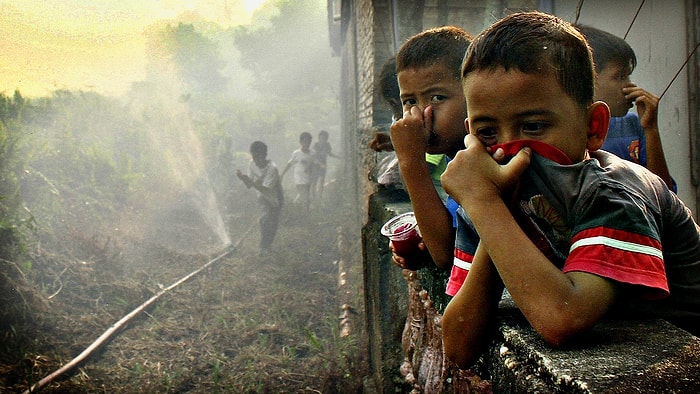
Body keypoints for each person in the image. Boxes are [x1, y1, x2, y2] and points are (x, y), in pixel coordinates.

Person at [440, 11, 700, 369]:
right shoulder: (487, 202)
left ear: (593, 127)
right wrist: (496, 210)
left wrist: (488, 205)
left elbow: (563, 320)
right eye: (487, 133)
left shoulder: (614, 193)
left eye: (532, 125)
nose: (508, 149)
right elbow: (458, 347)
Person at [389, 26, 478, 281]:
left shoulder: (480, 158)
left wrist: (410, 161)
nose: (421, 115)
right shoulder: (455, 155)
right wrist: (422, 239)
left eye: (437, 98)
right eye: (410, 102)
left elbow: (445, 255)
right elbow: (449, 240)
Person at [575, 24, 675, 191]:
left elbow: (666, 198)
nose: (629, 85)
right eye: (620, 76)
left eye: (628, 75)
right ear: (587, 78)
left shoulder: (633, 125)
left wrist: (651, 129)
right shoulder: (568, 130)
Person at [236, 141, 284, 254]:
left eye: (258, 157)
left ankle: (267, 245)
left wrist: (250, 182)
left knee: (272, 222)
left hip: (275, 198)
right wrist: (243, 179)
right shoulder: (252, 164)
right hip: (262, 197)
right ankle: (263, 246)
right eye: (253, 157)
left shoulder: (272, 168)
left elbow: (266, 189)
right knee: (264, 219)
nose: (255, 161)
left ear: (264, 155)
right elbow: (249, 185)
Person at [281, 132, 316, 214]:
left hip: (308, 178)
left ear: (310, 142)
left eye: (308, 142)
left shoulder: (313, 153)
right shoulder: (296, 153)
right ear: (300, 142)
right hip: (299, 179)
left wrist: (309, 168)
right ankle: (306, 215)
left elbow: (313, 165)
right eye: (304, 142)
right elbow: (289, 164)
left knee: (304, 195)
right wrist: (282, 174)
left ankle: (293, 206)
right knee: (306, 198)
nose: (306, 144)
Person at [310, 130, 339, 200]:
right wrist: (319, 164)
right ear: (319, 138)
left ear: (326, 139)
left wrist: (339, 157)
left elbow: (330, 154)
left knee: (322, 181)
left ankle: (320, 197)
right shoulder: (315, 145)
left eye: (325, 138)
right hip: (315, 165)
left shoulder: (327, 145)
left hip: (323, 165)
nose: (323, 139)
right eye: (321, 137)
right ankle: (313, 198)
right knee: (314, 182)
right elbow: (314, 157)